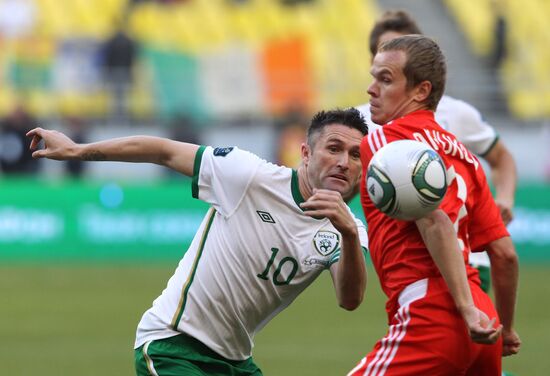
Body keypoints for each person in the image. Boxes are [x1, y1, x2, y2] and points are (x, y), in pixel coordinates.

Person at [27, 108, 369, 376]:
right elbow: (161, 151)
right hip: (173, 344)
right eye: (334, 148)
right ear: (306, 153)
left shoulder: (346, 231)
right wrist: (77, 150)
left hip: (235, 361)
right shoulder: (249, 177)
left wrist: (349, 235)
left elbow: (350, 299)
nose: (343, 162)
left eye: (355, 155)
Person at [348, 35, 520, 375]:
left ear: (421, 91)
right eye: (373, 77)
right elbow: (504, 255)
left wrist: (464, 309)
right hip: (484, 317)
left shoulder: (388, 140)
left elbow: (434, 220)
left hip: (433, 311)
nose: (371, 89)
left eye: (385, 79)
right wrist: (507, 329)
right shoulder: (467, 159)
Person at [355, 9, 518, 293]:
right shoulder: (361, 120)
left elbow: (502, 157)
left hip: (466, 259)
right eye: (382, 52)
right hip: (407, 265)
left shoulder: (456, 113)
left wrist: (504, 198)